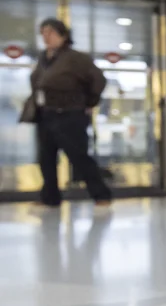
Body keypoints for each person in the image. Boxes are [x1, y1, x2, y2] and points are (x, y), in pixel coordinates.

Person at [22, 18, 112, 208]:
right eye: (43, 33)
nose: (46, 37)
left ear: (63, 35)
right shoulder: (44, 58)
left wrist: (89, 102)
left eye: (51, 32)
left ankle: (101, 195)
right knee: (45, 158)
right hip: (45, 114)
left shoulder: (76, 58)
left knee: (78, 156)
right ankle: (50, 197)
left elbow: (98, 80)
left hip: (69, 115)